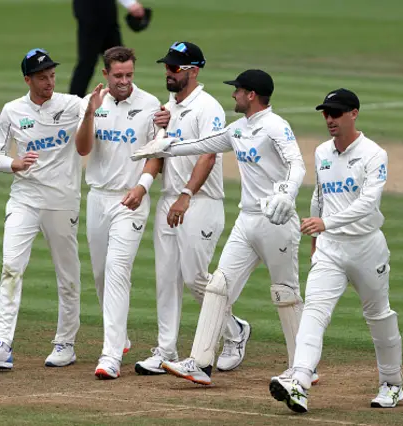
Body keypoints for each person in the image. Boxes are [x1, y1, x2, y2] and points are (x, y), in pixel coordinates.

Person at [132, 69, 308, 386]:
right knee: (217, 287)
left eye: (238, 90)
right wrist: (164, 147)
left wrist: (286, 192)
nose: (233, 95)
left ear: (251, 95)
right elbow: (202, 144)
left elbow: (297, 164)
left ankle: (302, 367)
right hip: (247, 221)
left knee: (285, 293)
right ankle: (200, 363)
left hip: (277, 220)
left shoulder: (275, 127)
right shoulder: (238, 129)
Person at [269, 89, 403, 412]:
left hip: (366, 246)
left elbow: (369, 203)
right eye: (326, 113)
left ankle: (392, 383)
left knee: (378, 315)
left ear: (354, 113)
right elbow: (320, 195)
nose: (330, 119)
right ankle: (299, 380)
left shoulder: (373, 154)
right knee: (315, 311)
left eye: (337, 113)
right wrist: (318, 238)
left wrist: (326, 223)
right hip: (330, 249)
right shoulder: (321, 152)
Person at [131, 41, 247, 376]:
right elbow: (163, 152)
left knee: (196, 279)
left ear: (193, 71)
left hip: (200, 201)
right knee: (166, 278)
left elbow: (208, 155)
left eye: (174, 68)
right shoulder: (170, 107)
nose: (167, 73)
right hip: (170, 199)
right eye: (166, 67)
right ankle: (165, 350)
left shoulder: (208, 107)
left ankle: (235, 331)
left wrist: (185, 194)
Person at [0, 48, 83, 370]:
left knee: (67, 275)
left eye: (51, 76)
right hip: (24, 198)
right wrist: (14, 164)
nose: (49, 82)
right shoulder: (12, 111)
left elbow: (101, 113)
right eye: (42, 77)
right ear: (28, 80)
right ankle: (2, 345)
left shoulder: (72, 105)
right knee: (10, 267)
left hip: (62, 201)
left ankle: (66, 343)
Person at [74, 46, 162, 379]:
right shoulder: (91, 102)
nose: (124, 81)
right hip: (99, 197)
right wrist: (89, 114)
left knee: (116, 270)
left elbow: (156, 153)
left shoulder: (150, 104)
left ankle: (110, 355)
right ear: (105, 75)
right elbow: (83, 148)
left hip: (132, 199)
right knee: (99, 274)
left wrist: (142, 186)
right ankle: (120, 337)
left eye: (129, 75)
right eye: (118, 76)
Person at [69, 0, 146, 97]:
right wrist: (130, 3)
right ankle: (73, 104)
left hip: (101, 9)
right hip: (92, 9)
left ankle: (123, 99)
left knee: (118, 59)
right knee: (89, 61)